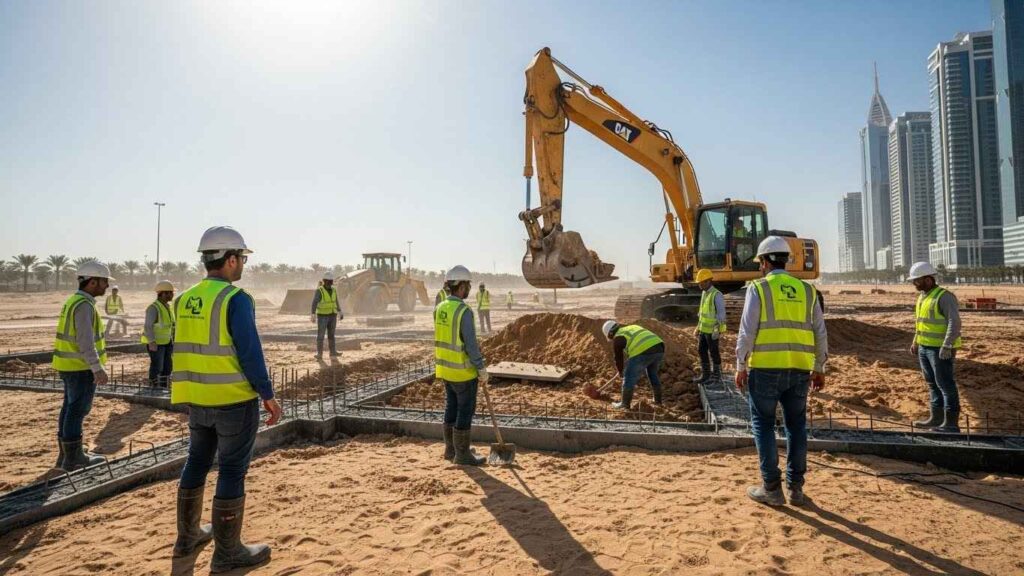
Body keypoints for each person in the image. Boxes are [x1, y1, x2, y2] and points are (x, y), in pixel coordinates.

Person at [170, 225, 282, 572]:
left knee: (197, 461)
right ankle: (228, 553)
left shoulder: (183, 299)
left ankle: (187, 537)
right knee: (232, 469)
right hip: (233, 399)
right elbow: (250, 353)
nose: (244, 264)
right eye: (243, 258)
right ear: (230, 259)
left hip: (196, 399)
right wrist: (267, 394)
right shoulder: (236, 299)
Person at [735, 236, 828, 507]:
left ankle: (772, 489)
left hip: (765, 369)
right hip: (799, 369)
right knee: (796, 427)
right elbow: (820, 331)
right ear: (786, 260)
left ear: (764, 262)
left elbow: (747, 331)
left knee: (763, 425)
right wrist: (819, 367)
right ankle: (796, 489)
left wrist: (740, 365)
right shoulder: (807, 290)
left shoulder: (759, 288)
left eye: (760, 262)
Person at [51, 261, 113, 471]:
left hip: (69, 365)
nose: (107, 286)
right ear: (92, 281)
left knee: (69, 408)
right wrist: (97, 367)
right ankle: (74, 459)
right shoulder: (84, 305)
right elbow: (85, 341)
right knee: (77, 410)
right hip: (80, 367)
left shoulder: (74, 301)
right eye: (104, 281)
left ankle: (65, 455)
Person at [435, 265, 488, 466]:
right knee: (465, 411)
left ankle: (451, 450)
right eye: (468, 285)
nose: (469, 289)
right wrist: (481, 368)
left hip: (445, 370)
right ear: (461, 286)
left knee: (451, 407)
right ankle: (463, 454)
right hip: (463, 372)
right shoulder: (464, 311)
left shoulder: (440, 308)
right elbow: (471, 345)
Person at [907, 261, 962, 433]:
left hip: (940, 349)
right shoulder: (923, 297)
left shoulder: (944, 297)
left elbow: (954, 322)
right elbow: (921, 323)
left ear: (928, 279)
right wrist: (916, 341)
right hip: (925, 347)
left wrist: (947, 345)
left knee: (945, 384)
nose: (914, 284)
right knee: (932, 383)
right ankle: (936, 419)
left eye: (917, 280)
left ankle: (951, 425)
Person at [601, 321, 664, 410]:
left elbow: (618, 358)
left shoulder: (618, 338)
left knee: (629, 376)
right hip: (659, 347)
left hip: (643, 351)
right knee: (652, 373)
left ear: (610, 334)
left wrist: (620, 371)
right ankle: (658, 400)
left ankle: (624, 404)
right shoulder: (632, 327)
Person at [692, 268, 726, 384]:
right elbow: (702, 313)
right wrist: (698, 327)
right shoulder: (704, 293)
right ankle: (706, 375)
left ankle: (716, 377)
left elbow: (721, 315)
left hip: (712, 331)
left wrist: (717, 330)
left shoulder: (716, 294)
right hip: (703, 330)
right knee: (701, 350)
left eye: (701, 283)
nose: (699, 285)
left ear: (708, 281)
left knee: (713, 352)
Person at [142, 280, 175, 387]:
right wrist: (151, 342)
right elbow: (148, 326)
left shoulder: (167, 307)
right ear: (163, 293)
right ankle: (154, 387)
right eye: (170, 293)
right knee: (157, 367)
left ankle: (164, 386)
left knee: (167, 367)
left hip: (167, 342)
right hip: (157, 344)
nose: (172, 295)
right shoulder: (154, 308)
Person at [309, 271, 343, 360]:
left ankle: (333, 352)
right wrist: (313, 314)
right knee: (321, 336)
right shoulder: (319, 290)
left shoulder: (334, 290)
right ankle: (319, 354)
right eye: (328, 281)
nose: (329, 282)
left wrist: (340, 311)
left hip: (333, 315)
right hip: (322, 316)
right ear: (324, 281)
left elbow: (336, 301)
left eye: (330, 281)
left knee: (331, 335)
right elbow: (314, 302)